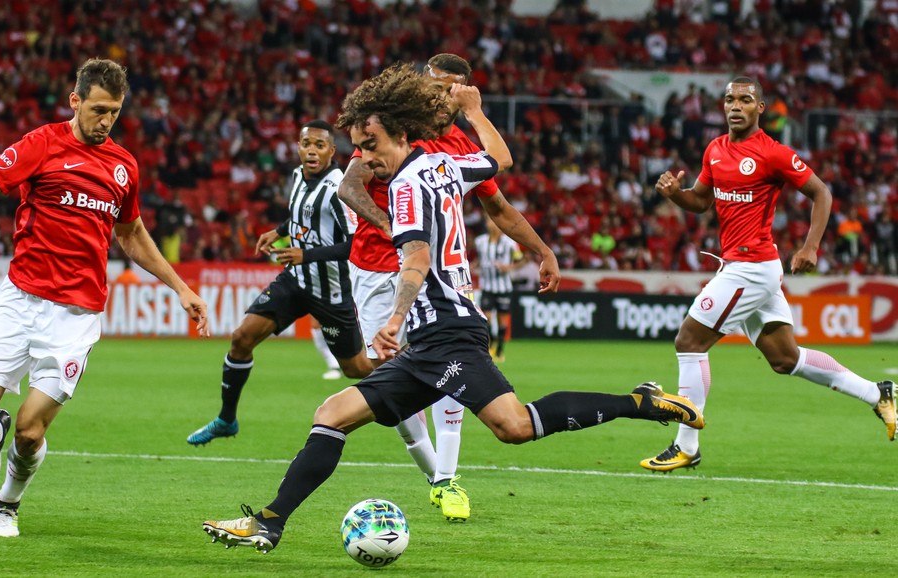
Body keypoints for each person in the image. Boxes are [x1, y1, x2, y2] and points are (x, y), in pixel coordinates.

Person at [200, 63, 704, 554]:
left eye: (370, 144)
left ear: (398, 132)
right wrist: (477, 112)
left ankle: (637, 402)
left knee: (515, 427)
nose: (363, 156)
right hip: (428, 341)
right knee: (332, 414)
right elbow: (499, 161)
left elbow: (416, 257)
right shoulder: (443, 163)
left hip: (447, 331)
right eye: (358, 145)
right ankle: (268, 524)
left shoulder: (405, 187)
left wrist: (395, 318)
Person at [0, 59, 211, 537]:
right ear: (75, 101)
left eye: (114, 111)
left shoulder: (122, 166)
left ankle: (6, 505)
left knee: (32, 432)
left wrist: (180, 287)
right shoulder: (42, 145)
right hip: (20, 299)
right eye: (98, 109)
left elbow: (131, 233)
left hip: (76, 316)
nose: (106, 120)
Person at [336, 53, 561, 522]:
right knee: (383, 377)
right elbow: (350, 188)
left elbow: (498, 206)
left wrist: (541, 249)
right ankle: (433, 470)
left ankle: (445, 479)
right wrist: (394, 225)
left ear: (463, 95)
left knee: (446, 367)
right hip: (377, 272)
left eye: (452, 90)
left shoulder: (459, 143)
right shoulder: (392, 132)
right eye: (435, 87)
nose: (442, 97)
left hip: (436, 278)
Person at [642, 77, 895, 472]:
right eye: (729, 99)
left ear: (760, 107)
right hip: (743, 266)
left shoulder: (773, 153)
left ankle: (686, 444)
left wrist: (811, 245)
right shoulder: (715, 150)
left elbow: (821, 193)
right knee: (784, 358)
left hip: (752, 268)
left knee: (689, 341)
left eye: (745, 99)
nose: (735, 106)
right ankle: (878, 393)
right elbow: (701, 202)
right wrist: (675, 193)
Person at [186, 120, 372, 446]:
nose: (311, 150)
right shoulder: (298, 176)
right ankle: (226, 419)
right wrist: (280, 230)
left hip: (330, 290)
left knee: (356, 369)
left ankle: (408, 377)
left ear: (332, 150)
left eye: (319, 145)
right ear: (297, 147)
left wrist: (307, 255)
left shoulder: (340, 189)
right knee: (242, 338)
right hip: (294, 280)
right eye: (305, 144)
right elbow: (302, 215)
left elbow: (357, 243)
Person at [473, 218, 524, 362]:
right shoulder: (480, 242)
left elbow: (521, 260)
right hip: (487, 286)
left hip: (503, 287)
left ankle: (500, 349)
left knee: (502, 320)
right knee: (487, 317)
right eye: (489, 221)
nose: (491, 224)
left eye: (494, 222)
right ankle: (492, 343)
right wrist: (473, 265)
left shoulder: (510, 243)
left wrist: (509, 268)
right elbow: (479, 259)